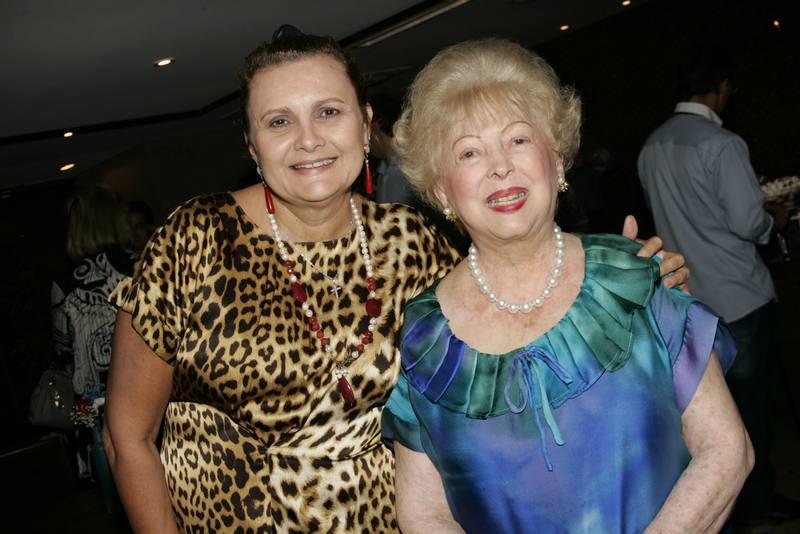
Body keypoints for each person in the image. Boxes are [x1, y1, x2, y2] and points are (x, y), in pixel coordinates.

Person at [103, 27, 687, 532]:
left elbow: (516, 316)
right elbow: (127, 436)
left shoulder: (415, 240)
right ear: (253, 146)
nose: (308, 139)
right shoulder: (195, 239)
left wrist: (620, 283)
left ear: (365, 125)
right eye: (279, 121)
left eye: (328, 112)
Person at [382, 39, 752, 533]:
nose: (500, 166)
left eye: (518, 139)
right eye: (469, 152)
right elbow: (424, 514)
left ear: (556, 160)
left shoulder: (634, 278)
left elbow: (725, 450)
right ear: (441, 190)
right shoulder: (427, 342)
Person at [637, 50, 790, 524]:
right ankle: (757, 505)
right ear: (721, 87)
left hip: (688, 303)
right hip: (739, 295)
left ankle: (730, 509)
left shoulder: (651, 147)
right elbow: (748, 222)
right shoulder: (721, 143)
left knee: (710, 423)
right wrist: (774, 219)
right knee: (753, 413)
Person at [51, 184, 133, 478]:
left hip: (91, 404)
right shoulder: (142, 264)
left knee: (106, 479)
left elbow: (62, 348)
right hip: (146, 391)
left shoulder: (64, 281)